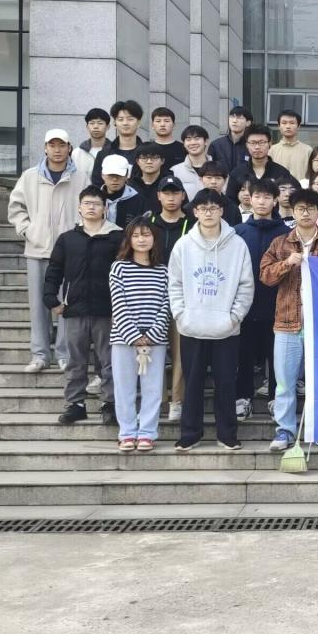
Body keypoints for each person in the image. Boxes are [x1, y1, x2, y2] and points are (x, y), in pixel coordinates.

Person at [168, 188, 255, 451]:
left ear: (221, 211)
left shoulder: (237, 245)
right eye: (203, 208)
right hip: (191, 327)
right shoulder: (183, 245)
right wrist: (181, 315)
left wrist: (234, 317)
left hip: (226, 329)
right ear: (195, 212)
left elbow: (246, 285)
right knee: (192, 383)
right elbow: (174, 284)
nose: (208, 213)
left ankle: (227, 434)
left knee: (226, 383)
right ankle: (190, 433)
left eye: (213, 208)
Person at [260, 188, 318, 450]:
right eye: (300, 208)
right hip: (287, 323)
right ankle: (284, 431)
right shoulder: (280, 243)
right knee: (285, 382)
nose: (305, 213)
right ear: (293, 212)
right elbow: (265, 276)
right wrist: (287, 263)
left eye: (310, 208)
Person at [9, 129, 94, 372]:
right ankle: (39, 354)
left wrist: (79, 237)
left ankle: (64, 353)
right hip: (37, 250)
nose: (57, 149)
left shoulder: (81, 178)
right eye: (52, 145)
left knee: (66, 303)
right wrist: (29, 230)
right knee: (38, 306)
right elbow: (16, 207)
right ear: (45, 147)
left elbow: (90, 207)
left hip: (70, 252)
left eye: (62, 145)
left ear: (69, 148)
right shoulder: (29, 176)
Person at [43, 186, 123, 426]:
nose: (91, 207)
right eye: (87, 203)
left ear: (105, 208)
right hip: (75, 309)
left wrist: (121, 308)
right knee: (75, 361)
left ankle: (110, 404)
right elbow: (54, 271)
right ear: (79, 208)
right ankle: (75, 404)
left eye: (96, 204)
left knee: (109, 360)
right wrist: (51, 300)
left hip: (108, 311)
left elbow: (126, 273)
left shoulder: (117, 237)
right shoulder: (68, 239)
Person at [109, 217, 171, 452]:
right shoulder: (119, 268)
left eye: (146, 235)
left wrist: (152, 334)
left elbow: (166, 304)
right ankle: (126, 433)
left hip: (155, 339)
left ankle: (146, 433)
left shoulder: (163, 270)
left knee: (153, 388)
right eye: (135, 236)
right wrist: (133, 335)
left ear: (154, 238)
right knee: (124, 387)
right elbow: (118, 303)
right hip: (123, 339)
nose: (141, 240)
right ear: (129, 240)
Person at [234, 178, 291, 421]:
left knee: (277, 355)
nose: (261, 201)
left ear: (275, 200)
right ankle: (242, 397)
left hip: (278, 304)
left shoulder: (286, 233)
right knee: (243, 353)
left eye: (267, 197)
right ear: (250, 198)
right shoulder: (238, 232)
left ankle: (276, 398)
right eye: (257, 196)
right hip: (245, 304)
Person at [148, 175, 193, 421]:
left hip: (182, 295)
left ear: (183, 196)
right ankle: (156, 399)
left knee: (180, 352)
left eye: (175, 193)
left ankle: (177, 400)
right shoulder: (148, 223)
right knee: (153, 349)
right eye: (166, 192)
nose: (171, 197)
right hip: (151, 295)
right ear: (159, 196)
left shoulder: (193, 224)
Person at [225, 124, 289, 202]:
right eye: (253, 143)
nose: (257, 147)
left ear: (270, 144)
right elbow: (230, 202)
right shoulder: (237, 173)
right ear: (247, 145)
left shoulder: (281, 173)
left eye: (261, 142)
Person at [92, 100, 144, 183]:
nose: (125, 123)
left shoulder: (146, 153)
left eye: (130, 119)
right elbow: (97, 184)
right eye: (120, 119)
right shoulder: (104, 154)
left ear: (139, 123)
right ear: (114, 123)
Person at [100, 154, 146, 228]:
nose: (115, 179)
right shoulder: (94, 199)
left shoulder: (138, 200)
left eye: (119, 175)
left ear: (127, 175)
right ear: (102, 175)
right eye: (111, 175)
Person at [172, 125, 214, 200]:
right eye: (188, 139)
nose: (193, 143)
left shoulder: (219, 169)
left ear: (206, 141)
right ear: (184, 143)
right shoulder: (175, 171)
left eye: (197, 139)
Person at [209, 105, 253, 173]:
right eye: (232, 117)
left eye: (239, 117)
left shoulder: (252, 146)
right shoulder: (216, 145)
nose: (234, 121)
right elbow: (209, 169)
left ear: (248, 123)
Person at [269, 109, 313, 177]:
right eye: (284, 123)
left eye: (292, 123)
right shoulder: (271, 150)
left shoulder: (308, 150)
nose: (288, 126)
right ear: (279, 126)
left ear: (298, 126)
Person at [129, 143, 169, 213]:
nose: (149, 162)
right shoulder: (130, 185)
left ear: (162, 161)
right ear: (137, 161)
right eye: (144, 158)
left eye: (154, 157)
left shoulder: (169, 184)